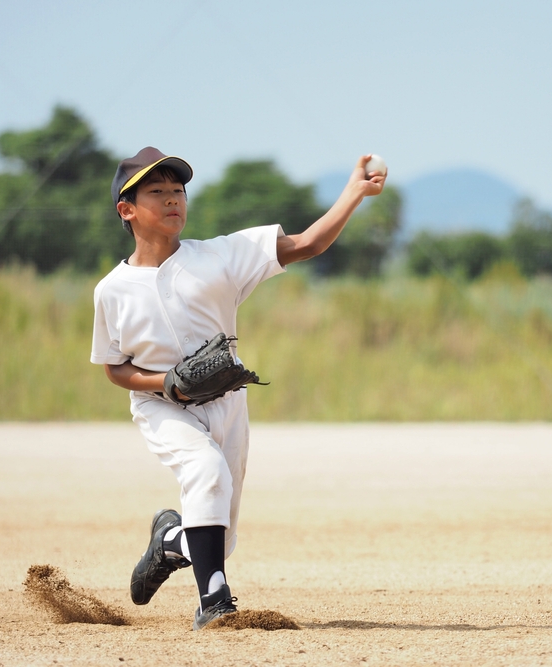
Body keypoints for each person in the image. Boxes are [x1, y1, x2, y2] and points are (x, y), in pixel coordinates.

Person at [90, 147, 386, 630]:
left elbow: (308, 244)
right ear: (126, 209)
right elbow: (114, 368)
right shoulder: (112, 289)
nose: (172, 200)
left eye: (178, 191)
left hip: (227, 403)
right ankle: (215, 602)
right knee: (205, 471)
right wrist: (165, 383)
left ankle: (169, 543)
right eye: (157, 192)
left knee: (217, 534)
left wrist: (354, 192)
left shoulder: (220, 255)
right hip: (160, 407)